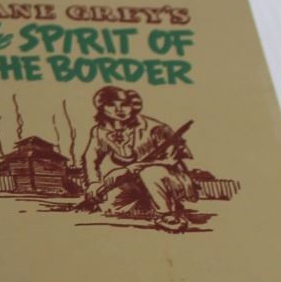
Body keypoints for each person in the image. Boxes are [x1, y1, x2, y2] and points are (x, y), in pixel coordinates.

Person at [77, 87, 195, 231]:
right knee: (113, 208)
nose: (119, 109)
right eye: (111, 105)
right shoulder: (99, 132)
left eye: (124, 104)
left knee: (151, 173)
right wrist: (94, 183)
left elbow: (173, 159)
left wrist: (139, 166)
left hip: (169, 179)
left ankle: (167, 214)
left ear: (132, 106)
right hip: (133, 181)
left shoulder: (156, 128)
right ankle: (149, 204)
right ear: (102, 108)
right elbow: (90, 159)